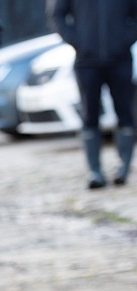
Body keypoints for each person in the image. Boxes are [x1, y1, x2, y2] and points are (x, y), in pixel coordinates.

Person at [48, 0, 137, 189]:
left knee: (125, 111)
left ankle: (124, 167)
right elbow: (57, 15)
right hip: (86, 61)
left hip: (120, 59)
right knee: (89, 114)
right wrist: (79, 40)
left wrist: (125, 38)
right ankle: (95, 171)